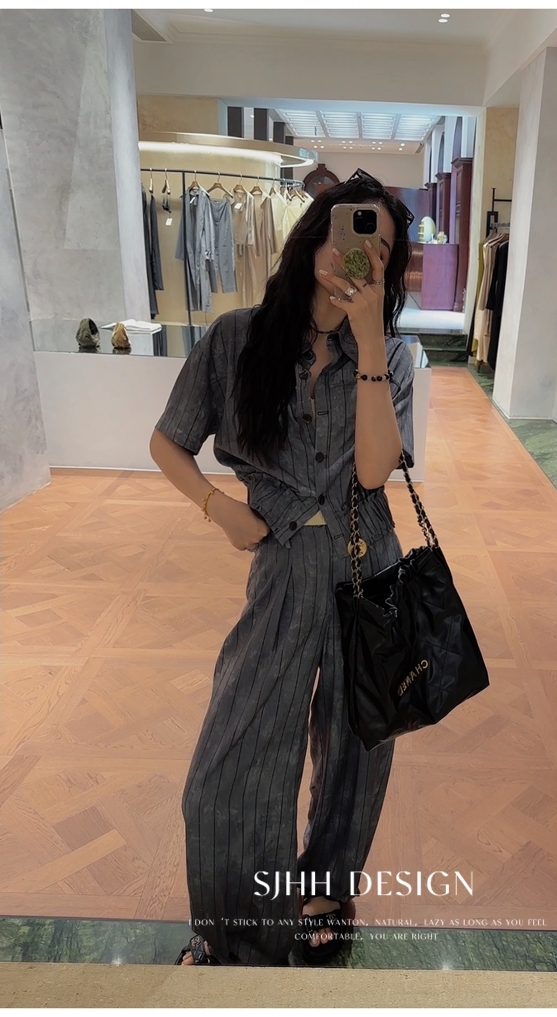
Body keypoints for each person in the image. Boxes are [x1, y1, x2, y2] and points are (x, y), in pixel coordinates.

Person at [149, 169, 415, 966]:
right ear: (312, 241)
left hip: (370, 563)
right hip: (284, 564)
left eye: (379, 248)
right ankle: (235, 930)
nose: (357, 256)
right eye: (346, 234)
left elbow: (374, 471)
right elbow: (168, 440)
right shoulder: (236, 337)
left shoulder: (392, 356)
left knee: (358, 748)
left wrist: (369, 339)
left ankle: (325, 889)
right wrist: (217, 506)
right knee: (230, 759)